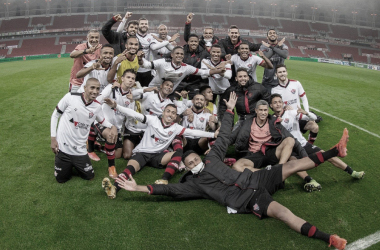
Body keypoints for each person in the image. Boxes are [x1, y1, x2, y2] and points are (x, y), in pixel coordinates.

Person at [104, 91, 348, 250]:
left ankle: (336, 151)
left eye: (192, 160)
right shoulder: (194, 184)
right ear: (186, 169)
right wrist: (138, 187)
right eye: (188, 164)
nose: (191, 163)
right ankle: (329, 239)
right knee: (284, 214)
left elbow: (221, 140)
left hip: (255, 176)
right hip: (248, 198)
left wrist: (229, 110)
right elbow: (170, 191)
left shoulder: (212, 159)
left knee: (292, 164)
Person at [102, 101, 218, 190]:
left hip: (158, 156)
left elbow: (194, 132)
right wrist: (116, 105)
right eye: (168, 111)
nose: (170, 114)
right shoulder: (152, 120)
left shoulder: (176, 128)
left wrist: (213, 134)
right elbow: (134, 114)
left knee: (178, 153)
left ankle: (164, 179)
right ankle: (114, 188)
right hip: (142, 153)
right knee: (130, 169)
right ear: (163, 113)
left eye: (173, 113)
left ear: (175, 116)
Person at [270, 93, 365, 191]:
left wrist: (306, 113)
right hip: (290, 148)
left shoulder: (292, 112)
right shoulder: (271, 120)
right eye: (275, 102)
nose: (278, 104)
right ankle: (310, 181)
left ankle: (352, 172)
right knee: (294, 162)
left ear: (283, 103)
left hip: (303, 144)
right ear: (271, 106)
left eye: (280, 102)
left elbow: (314, 118)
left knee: (324, 153)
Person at [50, 78, 117, 183]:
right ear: (85, 88)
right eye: (92, 88)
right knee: (61, 179)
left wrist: (112, 126)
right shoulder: (70, 97)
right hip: (63, 148)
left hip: (80, 150)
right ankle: (64, 163)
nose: (95, 91)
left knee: (89, 176)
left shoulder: (97, 106)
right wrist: (53, 138)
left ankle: (74, 164)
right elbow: (55, 115)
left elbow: (102, 120)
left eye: (98, 89)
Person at [231, 100, 307, 172]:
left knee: (290, 140)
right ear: (256, 110)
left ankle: (280, 169)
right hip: (254, 154)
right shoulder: (247, 123)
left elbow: (291, 138)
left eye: (265, 110)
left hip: (270, 152)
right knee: (236, 166)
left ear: (268, 111)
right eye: (261, 110)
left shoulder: (274, 122)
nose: (263, 113)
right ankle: (268, 173)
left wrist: (305, 156)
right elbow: (232, 137)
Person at [140, 46, 226, 96]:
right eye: (177, 53)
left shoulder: (186, 68)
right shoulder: (163, 62)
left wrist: (218, 71)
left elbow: (203, 72)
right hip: (152, 91)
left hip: (168, 94)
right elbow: (146, 65)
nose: (179, 55)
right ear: (172, 55)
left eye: (181, 54)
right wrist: (140, 59)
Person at [271, 64, 319, 144]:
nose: (282, 73)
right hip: (287, 118)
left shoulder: (296, 83)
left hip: (298, 115)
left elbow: (304, 98)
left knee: (314, 127)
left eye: (284, 71)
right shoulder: (274, 89)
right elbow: (275, 106)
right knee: (289, 139)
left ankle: (309, 146)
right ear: (276, 74)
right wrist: (284, 107)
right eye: (279, 72)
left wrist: (306, 112)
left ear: (287, 72)